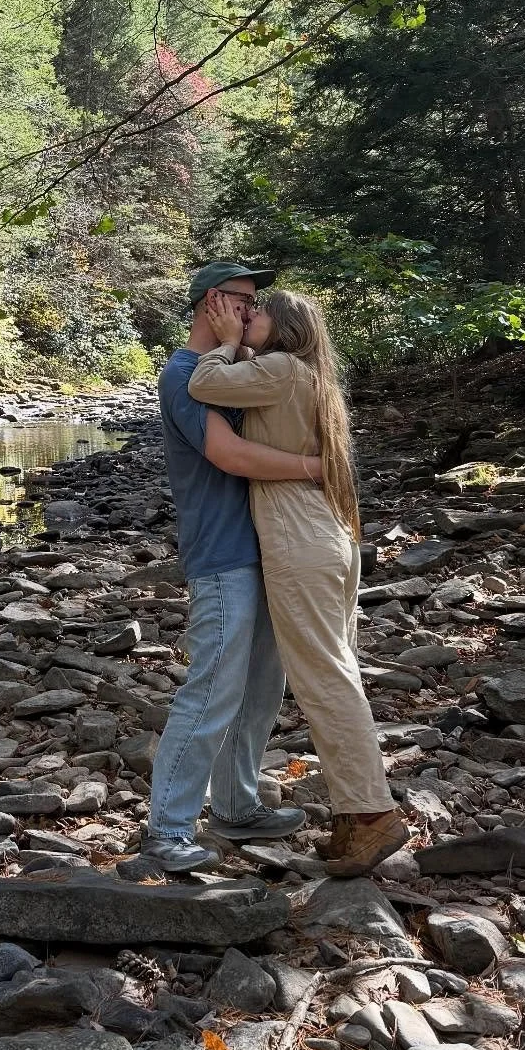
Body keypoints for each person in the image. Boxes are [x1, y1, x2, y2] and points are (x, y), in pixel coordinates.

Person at [187, 284, 409, 878]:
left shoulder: (281, 368)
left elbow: (203, 385)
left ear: (281, 325)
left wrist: (225, 345)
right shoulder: (310, 375)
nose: (242, 316)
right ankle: (352, 811)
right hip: (331, 531)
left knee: (323, 676)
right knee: (336, 668)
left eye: (252, 313)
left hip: (299, 536)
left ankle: (370, 814)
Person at [141, 260, 322, 874]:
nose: (254, 311)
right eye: (246, 300)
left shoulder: (242, 369)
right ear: (213, 302)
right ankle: (167, 829)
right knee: (213, 688)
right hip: (222, 553)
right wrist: (315, 470)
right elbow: (228, 453)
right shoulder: (185, 373)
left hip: (273, 548)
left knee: (263, 686)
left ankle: (238, 807)